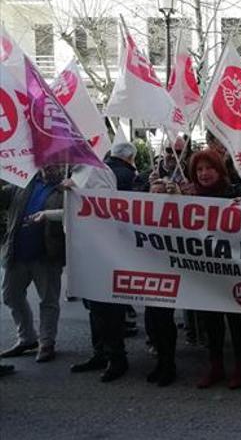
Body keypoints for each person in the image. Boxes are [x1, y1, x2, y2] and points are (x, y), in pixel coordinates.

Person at [70, 142, 140, 382]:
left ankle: (117, 358)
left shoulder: (97, 169)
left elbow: (105, 204)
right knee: (93, 306)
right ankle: (100, 352)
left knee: (107, 306)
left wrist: (75, 191)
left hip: (101, 247)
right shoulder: (78, 170)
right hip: (84, 247)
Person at [188, 150, 241, 391]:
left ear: (219, 170)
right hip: (205, 271)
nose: (204, 174)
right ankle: (215, 366)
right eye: (199, 170)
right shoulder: (189, 196)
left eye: (208, 168)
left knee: (236, 322)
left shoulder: (236, 192)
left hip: (232, 270)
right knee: (210, 323)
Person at [0, 166, 66, 364]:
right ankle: (27, 338)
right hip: (17, 252)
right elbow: (3, 201)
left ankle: (46, 342)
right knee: (10, 295)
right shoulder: (23, 182)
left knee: (48, 300)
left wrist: (69, 193)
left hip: (46, 254)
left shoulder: (66, 188)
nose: (49, 166)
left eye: (54, 163)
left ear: (62, 165)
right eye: (45, 162)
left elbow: (75, 214)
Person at [143, 178, 181, 387]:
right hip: (149, 272)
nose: (156, 196)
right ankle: (160, 362)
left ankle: (169, 365)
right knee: (153, 321)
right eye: (153, 192)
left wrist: (176, 197)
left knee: (165, 321)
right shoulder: (142, 214)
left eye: (160, 192)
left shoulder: (173, 214)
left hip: (168, 273)